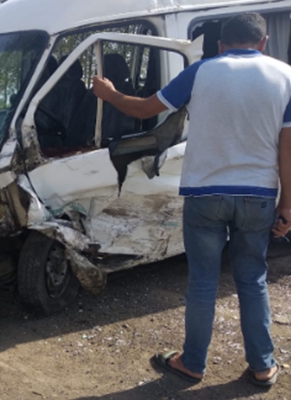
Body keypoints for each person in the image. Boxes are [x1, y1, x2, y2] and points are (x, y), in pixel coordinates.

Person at [92, 12, 291, 387]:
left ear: (220, 45)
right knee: (253, 280)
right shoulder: (286, 76)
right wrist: (287, 205)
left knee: (202, 282)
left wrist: (109, 94)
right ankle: (263, 366)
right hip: (259, 195)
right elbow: (288, 146)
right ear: (263, 42)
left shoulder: (201, 72)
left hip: (205, 194)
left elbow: (144, 109)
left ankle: (193, 363)